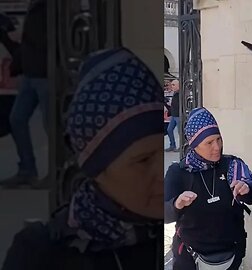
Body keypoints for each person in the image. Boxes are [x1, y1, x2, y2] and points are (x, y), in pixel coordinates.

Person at [1, 47, 164, 270]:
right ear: (97, 170)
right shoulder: (42, 256)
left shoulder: (185, 235)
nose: (162, 172)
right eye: (144, 160)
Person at [165, 107, 252, 270]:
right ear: (195, 144)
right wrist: (177, 204)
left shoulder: (232, 165)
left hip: (231, 257)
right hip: (189, 259)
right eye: (209, 142)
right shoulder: (178, 172)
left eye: (218, 139)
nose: (217, 147)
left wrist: (247, 189)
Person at [0, 0, 48, 187]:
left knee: (50, 124)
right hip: (30, 72)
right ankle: (26, 169)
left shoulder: (50, 8)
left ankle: (56, 170)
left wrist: (22, 37)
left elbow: (49, 39)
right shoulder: (35, 7)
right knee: (16, 119)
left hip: (44, 72)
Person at [166, 79, 180, 152]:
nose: (172, 86)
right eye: (172, 85)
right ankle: (172, 145)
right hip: (174, 115)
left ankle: (181, 146)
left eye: (173, 85)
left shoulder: (180, 94)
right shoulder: (175, 93)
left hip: (178, 115)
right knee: (169, 129)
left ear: (178, 85)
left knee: (180, 131)